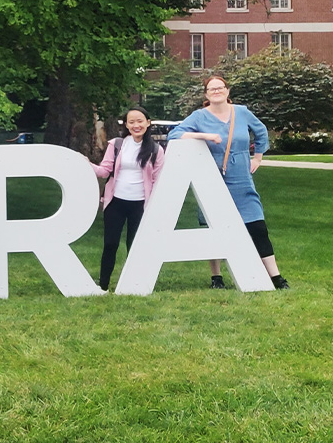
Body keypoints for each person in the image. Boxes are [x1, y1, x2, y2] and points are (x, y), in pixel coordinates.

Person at [168, 75, 289, 290]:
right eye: (212, 89)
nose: (216, 91)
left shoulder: (241, 112)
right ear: (206, 94)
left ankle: (276, 277)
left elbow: (260, 132)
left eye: (220, 88)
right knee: (211, 227)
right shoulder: (198, 116)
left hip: (241, 177)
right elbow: (175, 135)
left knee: (257, 226)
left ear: (227, 91)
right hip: (211, 177)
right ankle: (217, 277)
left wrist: (258, 156)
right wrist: (205, 136)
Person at [90, 107, 165, 291]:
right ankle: (103, 285)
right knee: (110, 244)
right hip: (115, 202)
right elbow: (104, 170)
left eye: (140, 121)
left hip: (140, 204)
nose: (136, 125)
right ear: (126, 125)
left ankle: (135, 284)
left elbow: (157, 181)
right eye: (131, 122)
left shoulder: (156, 150)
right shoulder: (116, 144)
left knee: (135, 245)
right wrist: (85, 164)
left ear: (148, 122)